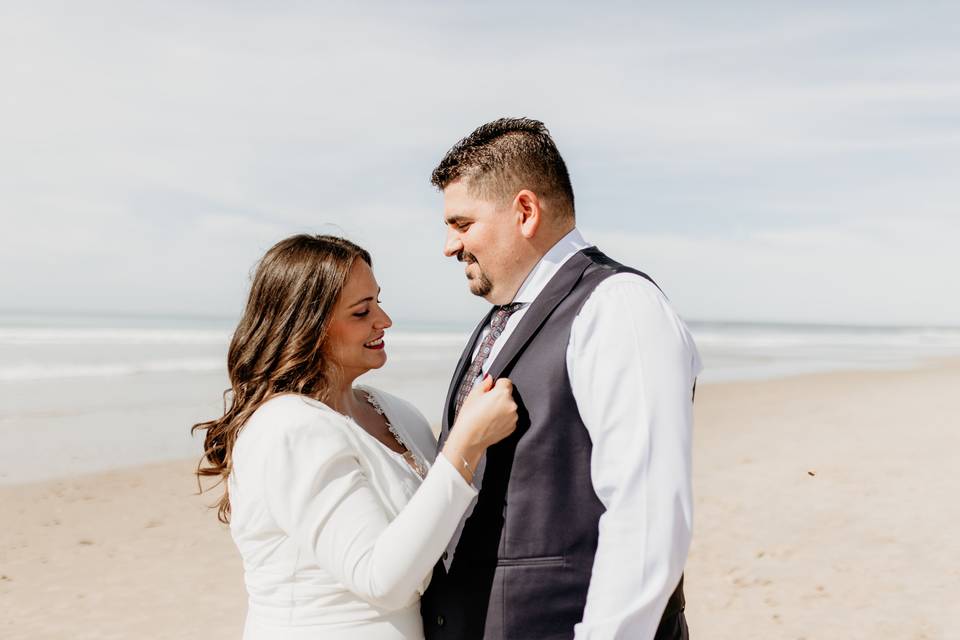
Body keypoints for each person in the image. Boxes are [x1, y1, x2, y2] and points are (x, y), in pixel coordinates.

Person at [419, 118, 702, 640]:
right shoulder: (506, 318)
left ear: (525, 211)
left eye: (462, 224)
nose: (449, 246)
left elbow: (647, 515)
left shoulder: (619, 307)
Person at [192, 234, 518, 640]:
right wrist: (465, 447)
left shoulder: (396, 413)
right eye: (362, 312)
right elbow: (382, 581)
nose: (384, 320)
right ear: (308, 326)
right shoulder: (286, 428)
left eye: (378, 302)